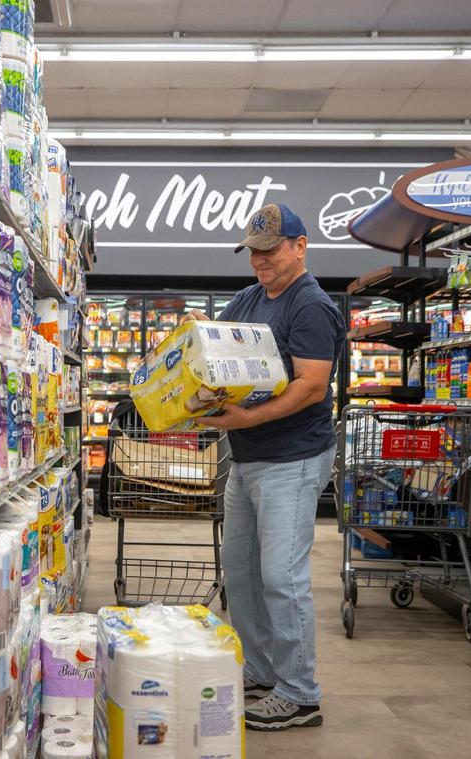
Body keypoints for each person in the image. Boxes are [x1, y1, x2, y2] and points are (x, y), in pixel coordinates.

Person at [184, 202, 345, 731]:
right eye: (253, 251)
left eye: (270, 250)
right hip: (249, 458)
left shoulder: (312, 307)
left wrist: (246, 421)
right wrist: (197, 330)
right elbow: (220, 344)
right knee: (244, 572)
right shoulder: (251, 297)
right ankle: (260, 671)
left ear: (300, 246)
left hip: (292, 459)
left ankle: (300, 694)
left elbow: (312, 386)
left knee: (281, 576)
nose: (260, 261)